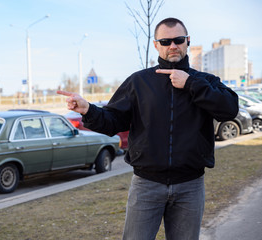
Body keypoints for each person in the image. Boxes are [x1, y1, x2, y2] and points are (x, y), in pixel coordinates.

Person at [58, 17, 239, 240]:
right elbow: (113, 121)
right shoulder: (139, 82)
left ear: (187, 41)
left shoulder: (205, 81)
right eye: (165, 41)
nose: (172, 46)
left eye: (178, 40)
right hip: (146, 186)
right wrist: (88, 110)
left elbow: (229, 108)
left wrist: (191, 83)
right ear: (156, 45)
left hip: (190, 186)